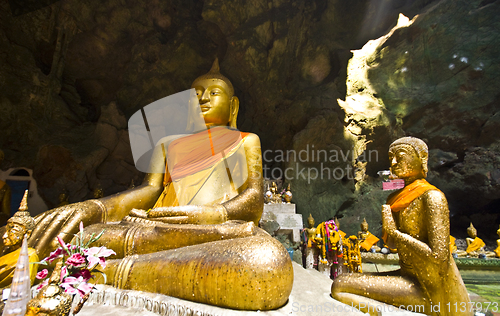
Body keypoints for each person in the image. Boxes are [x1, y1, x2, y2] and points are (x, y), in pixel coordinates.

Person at [7, 59, 292, 310]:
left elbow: (254, 199)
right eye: (196, 94)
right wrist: (92, 208)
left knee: (265, 261)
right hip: (155, 228)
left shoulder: (244, 140)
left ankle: (104, 270)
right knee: (81, 235)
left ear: (233, 105)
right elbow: (148, 192)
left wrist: (211, 214)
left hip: (212, 232)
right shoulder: (168, 144)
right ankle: (128, 268)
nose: (203, 99)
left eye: (213, 93)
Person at [331, 137, 471, 316]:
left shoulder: (432, 197)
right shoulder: (398, 199)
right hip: (408, 276)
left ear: (421, 159)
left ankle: (379, 312)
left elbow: (439, 257)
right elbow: (393, 247)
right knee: (344, 280)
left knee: (340, 286)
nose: (394, 162)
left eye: (401, 156)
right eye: (391, 158)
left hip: (429, 288)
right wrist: (389, 229)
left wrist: (396, 233)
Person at [0, 190, 38, 288]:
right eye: (6, 231)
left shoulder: (29, 255)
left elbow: (23, 287)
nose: (5, 236)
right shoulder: (5, 252)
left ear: (27, 233)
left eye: (11, 232)